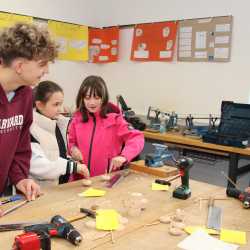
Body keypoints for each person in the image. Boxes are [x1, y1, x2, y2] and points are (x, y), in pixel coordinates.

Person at [0, 23, 58, 209]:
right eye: (42, 64)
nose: (47, 70)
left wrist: (20, 178)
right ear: (19, 66)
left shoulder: (25, 95)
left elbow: (20, 147)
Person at [68, 75, 144, 177]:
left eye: (96, 97)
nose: (92, 102)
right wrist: (72, 149)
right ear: (81, 98)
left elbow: (137, 137)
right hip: (80, 181)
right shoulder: (76, 120)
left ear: (103, 98)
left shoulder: (115, 120)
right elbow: (70, 142)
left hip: (106, 180)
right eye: (87, 97)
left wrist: (124, 157)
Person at [30, 81, 89, 187]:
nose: (60, 109)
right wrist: (73, 166)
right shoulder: (31, 129)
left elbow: (56, 155)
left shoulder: (54, 123)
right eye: (56, 104)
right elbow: (38, 165)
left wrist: (71, 160)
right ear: (39, 105)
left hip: (57, 187)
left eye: (61, 104)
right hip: (40, 192)